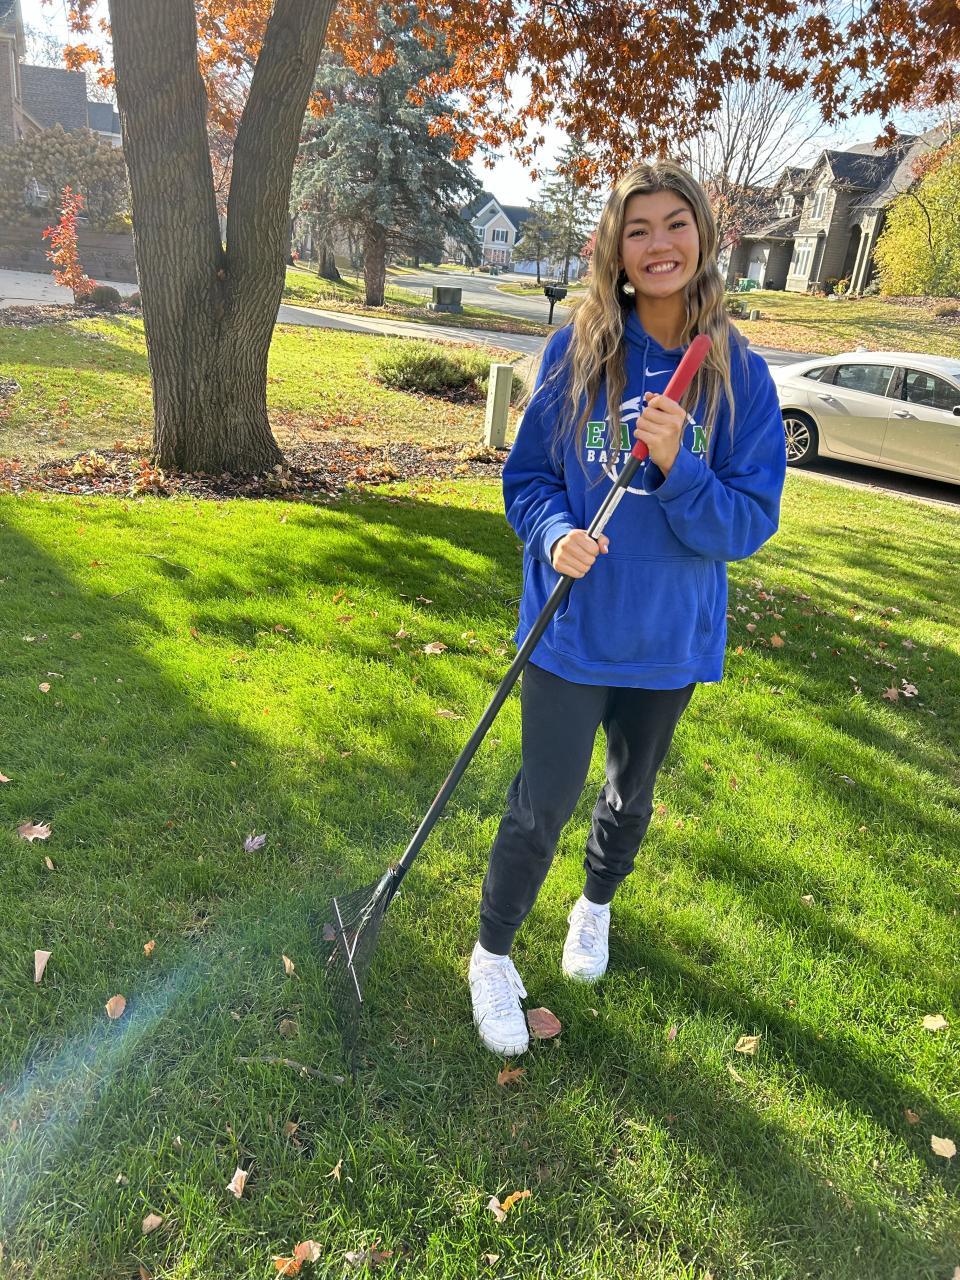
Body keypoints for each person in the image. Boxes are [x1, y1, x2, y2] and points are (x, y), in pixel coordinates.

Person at [468, 160, 787, 1057]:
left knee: (629, 793)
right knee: (541, 803)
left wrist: (681, 466)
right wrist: (553, 533)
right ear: (615, 247)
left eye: (675, 223)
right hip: (572, 627)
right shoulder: (577, 352)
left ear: (703, 238)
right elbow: (529, 479)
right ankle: (491, 955)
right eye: (638, 228)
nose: (659, 244)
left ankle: (595, 905)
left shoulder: (739, 375)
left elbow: (747, 523)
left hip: (668, 637)